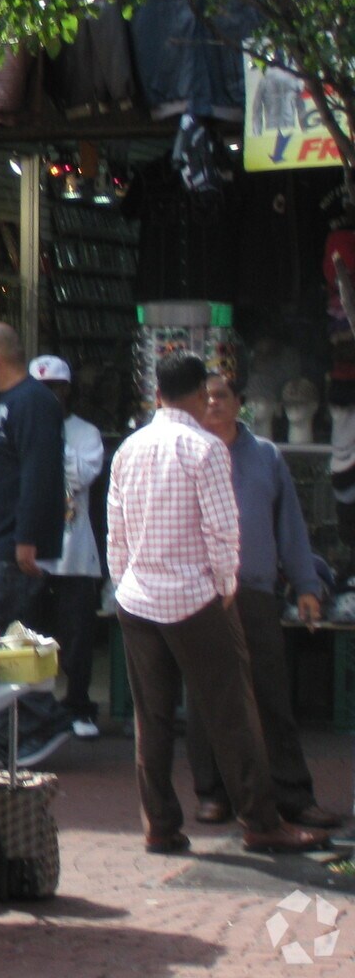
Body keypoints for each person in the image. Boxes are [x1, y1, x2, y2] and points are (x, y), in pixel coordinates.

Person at [110, 351, 327, 855]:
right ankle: (260, 820)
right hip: (195, 597)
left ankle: (159, 824)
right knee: (233, 710)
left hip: (138, 598)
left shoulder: (129, 449)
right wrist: (227, 588)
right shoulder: (206, 449)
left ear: (158, 395)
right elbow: (222, 530)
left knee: (153, 718)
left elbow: (115, 532)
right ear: (194, 396)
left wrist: (124, 584)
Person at [186, 371, 340, 830]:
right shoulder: (188, 454)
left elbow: (289, 527)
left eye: (221, 396)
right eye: (205, 397)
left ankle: (293, 794)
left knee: (271, 695)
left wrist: (307, 586)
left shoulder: (266, 457)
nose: (212, 404)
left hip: (254, 591)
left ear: (239, 403)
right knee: (206, 698)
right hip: (202, 594)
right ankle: (213, 794)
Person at [0, 322, 75, 765]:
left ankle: (29, 728)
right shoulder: (11, 405)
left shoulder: (32, 402)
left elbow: (40, 474)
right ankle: (17, 734)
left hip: (7, 547)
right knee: (5, 642)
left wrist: (27, 539)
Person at [28, 355, 108, 739]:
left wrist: (44, 453)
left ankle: (79, 707)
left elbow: (81, 474)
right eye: (40, 391)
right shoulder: (17, 427)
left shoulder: (86, 432)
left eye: (54, 390)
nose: (48, 398)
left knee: (76, 638)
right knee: (29, 635)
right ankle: (34, 709)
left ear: (67, 391)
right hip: (32, 556)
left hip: (75, 555)